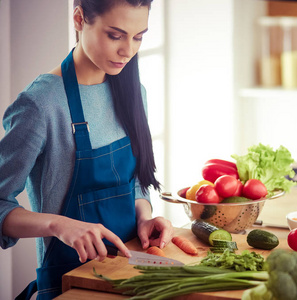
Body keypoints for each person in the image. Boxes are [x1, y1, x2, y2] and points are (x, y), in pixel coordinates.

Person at [0, 0, 174, 299]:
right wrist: (59, 225)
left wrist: (144, 216)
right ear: (79, 19)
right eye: (115, 35)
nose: (128, 51)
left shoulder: (134, 92)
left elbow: (133, 183)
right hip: (71, 286)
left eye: (138, 36)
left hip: (132, 276)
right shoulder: (41, 105)